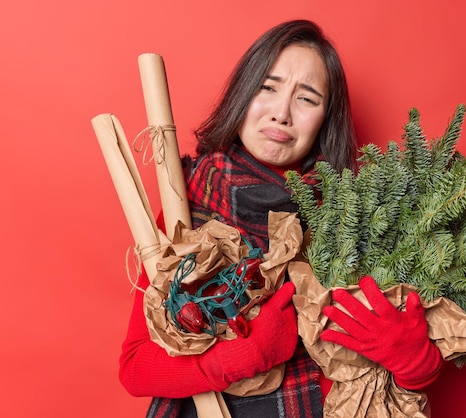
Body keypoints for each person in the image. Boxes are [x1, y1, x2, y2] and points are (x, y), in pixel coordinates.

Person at [119, 19, 443, 418]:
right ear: (242, 95)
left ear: (328, 118)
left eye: (307, 98)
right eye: (267, 88)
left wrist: (417, 365)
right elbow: (135, 369)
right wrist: (241, 356)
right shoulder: (185, 210)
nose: (282, 114)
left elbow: (379, 387)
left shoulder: (358, 219)